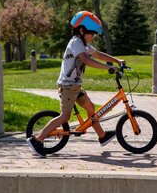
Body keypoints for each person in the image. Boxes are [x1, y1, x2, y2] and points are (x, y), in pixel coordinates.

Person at [27, 10, 125, 157]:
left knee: (90, 108)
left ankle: (102, 136)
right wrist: (108, 68)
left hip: (75, 86)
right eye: (92, 34)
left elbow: (97, 54)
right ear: (81, 30)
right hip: (67, 87)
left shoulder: (84, 44)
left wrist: (116, 60)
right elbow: (86, 60)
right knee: (64, 117)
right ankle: (37, 139)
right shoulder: (76, 43)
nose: (93, 37)